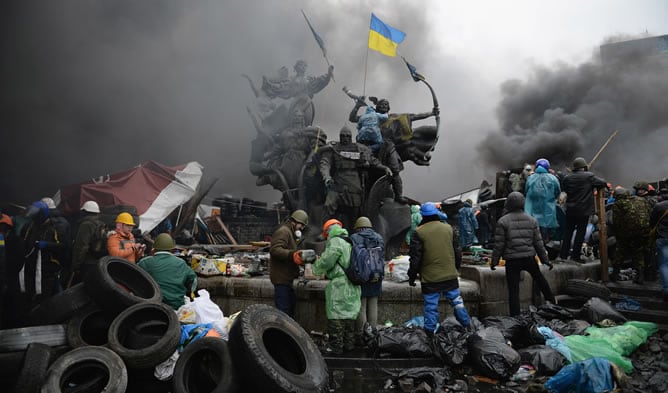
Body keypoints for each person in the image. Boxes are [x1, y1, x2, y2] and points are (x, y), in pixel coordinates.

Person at [407, 202, 472, 335]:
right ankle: (468, 326)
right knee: (457, 301)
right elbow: (457, 252)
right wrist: (456, 269)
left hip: (430, 278)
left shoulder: (419, 232)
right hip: (450, 275)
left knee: (431, 307)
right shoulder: (449, 229)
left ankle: (430, 335)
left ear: (423, 215)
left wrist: (412, 276)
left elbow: (415, 259)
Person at [490, 192, 556, 316]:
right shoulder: (532, 220)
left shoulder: (502, 221)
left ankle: (515, 317)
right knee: (541, 281)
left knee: (514, 291)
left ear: (508, 204)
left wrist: (494, 261)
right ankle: (553, 304)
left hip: (512, 261)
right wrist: (546, 260)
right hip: (529, 258)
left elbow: (499, 245)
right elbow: (539, 244)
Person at [318, 126, 392, 229]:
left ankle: (355, 229)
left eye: (347, 136)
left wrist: (384, 168)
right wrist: (327, 178)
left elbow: (372, 161)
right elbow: (325, 164)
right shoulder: (333, 148)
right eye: (342, 136)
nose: (345, 138)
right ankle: (324, 230)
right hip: (338, 180)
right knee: (329, 205)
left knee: (356, 208)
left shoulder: (359, 148)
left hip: (354, 181)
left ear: (351, 137)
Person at [312, 219, 361, 355]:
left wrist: (315, 267)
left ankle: (336, 347)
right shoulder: (349, 240)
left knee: (336, 315)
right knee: (349, 316)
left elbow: (327, 261)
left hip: (340, 285)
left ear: (327, 232)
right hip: (353, 283)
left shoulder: (335, 241)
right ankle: (348, 346)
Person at [559, 157, 608, 262]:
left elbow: (564, 188)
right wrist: (588, 173)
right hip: (584, 211)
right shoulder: (589, 176)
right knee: (580, 234)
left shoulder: (567, 178)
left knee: (568, 233)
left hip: (570, 210)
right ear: (584, 167)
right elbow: (602, 182)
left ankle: (563, 255)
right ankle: (575, 256)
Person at [138, 233, 197, 310]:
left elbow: (135, 278)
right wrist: (190, 293)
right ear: (172, 249)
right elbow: (193, 280)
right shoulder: (181, 263)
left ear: (154, 248)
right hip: (176, 305)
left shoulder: (145, 262)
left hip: (153, 305)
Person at [269, 209, 309, 318]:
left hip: (286, 279)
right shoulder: (284, 231)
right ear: (295, 222)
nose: (302, 228)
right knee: (284, 314)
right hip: (281, 279)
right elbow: (275, 250)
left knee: (289, 311)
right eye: (302, 225)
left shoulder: (290, 232)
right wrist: (292, 255)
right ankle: (280, 334)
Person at [351, 216, 385, 341]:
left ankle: (361, 333)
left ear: (358, 227)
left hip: (362, 275)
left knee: (361, 304)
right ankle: (373, 331)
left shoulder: (355, 238)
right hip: (376, 274)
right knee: (373, 303)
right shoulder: (379, 237)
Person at [611, 188, 652, 284]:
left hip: (627, 232)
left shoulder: (618, 203)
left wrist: (618, 234)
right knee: (639, 252)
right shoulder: (641, 200)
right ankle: (640, 276)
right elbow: (650, 212)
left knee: (620, 251)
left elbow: (616, 221)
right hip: (644, 231)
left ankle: (615, 274)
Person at [69, 201, 107, 286]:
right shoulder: (101, 224)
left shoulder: (86, 225)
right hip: (96, 262)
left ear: (85, 212)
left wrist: (76, 265)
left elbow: (81, 246)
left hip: (85, 262)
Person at [525, 158, 561, 243]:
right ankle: (543, 249)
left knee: (533, 232)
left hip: (532, 210)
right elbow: (557, 192)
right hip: (547, 209)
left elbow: (526, 191)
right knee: (544, 232)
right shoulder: (553, 179)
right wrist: (552, 199)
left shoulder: (530, 178)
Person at [649, 192, 668, 301]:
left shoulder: (659, 206)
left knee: (664, 264)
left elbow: (652, 222)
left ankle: (666, 290)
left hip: (662, 237)